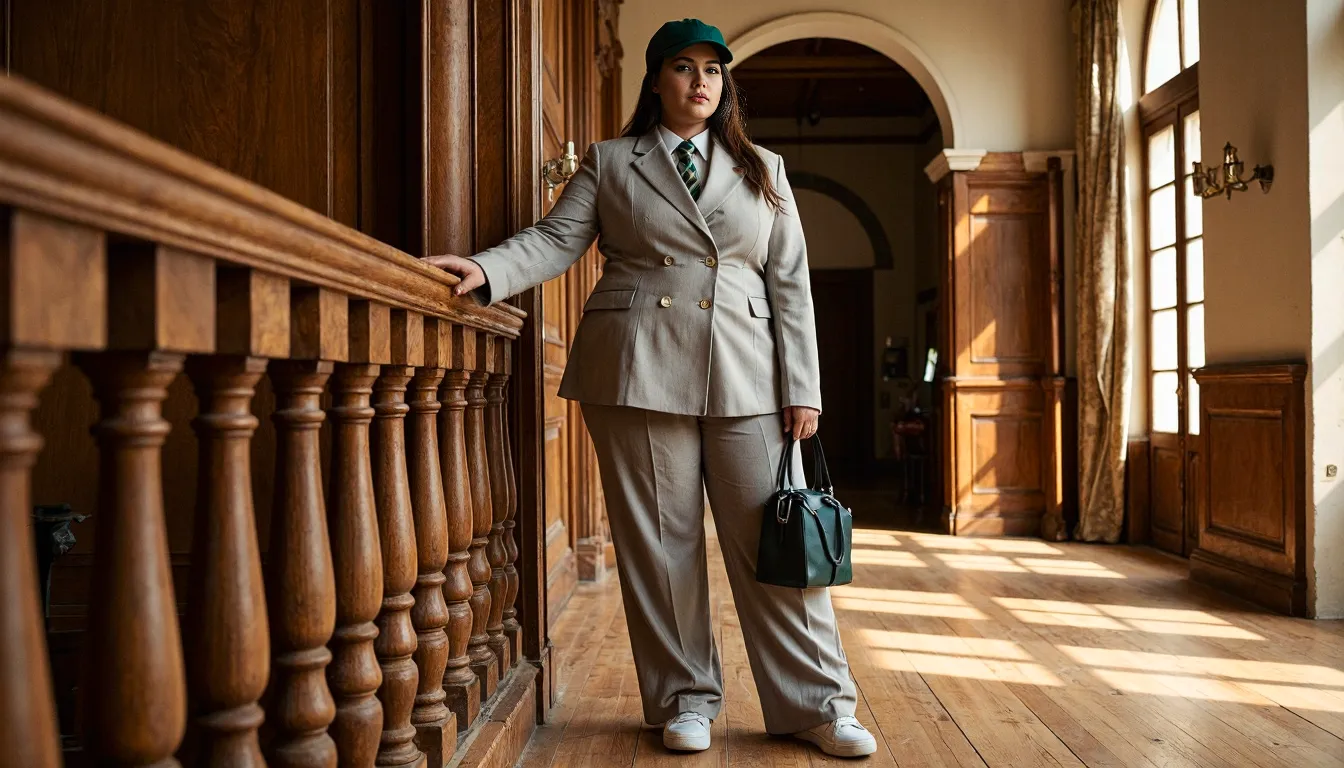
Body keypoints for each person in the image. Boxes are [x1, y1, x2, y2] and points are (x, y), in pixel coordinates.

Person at [425, 18, 877, 759]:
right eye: (682, 67)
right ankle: (682, 700)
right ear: (656, 79)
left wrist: (805, 388)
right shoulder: (610, 161)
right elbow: (553, 240)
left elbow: (791, 286)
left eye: (712, 69)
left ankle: (820, 706)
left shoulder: (763, 167)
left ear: (725, 84)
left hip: (749, 373)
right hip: (637, 368)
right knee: (660, 548)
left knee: (778, 544)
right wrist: (487, 270)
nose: (700, 80)